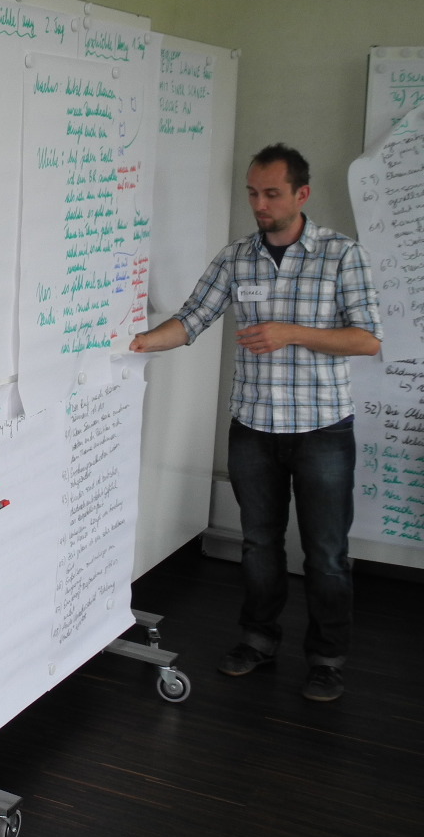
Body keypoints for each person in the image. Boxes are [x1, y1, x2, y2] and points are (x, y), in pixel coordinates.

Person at [130, 143, 380, 702]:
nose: (260, 205)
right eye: (252, 193)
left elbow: (366, 339)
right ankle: (258, 639)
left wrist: (291, 333)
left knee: (326, 553)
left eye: (271, 194)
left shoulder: (342, 255)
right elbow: (192, 319)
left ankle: (326, 660)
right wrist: (141, 342)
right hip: (254, 429)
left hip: (322, 430)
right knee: (259, 545)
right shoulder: (236, 258)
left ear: (301, 194)